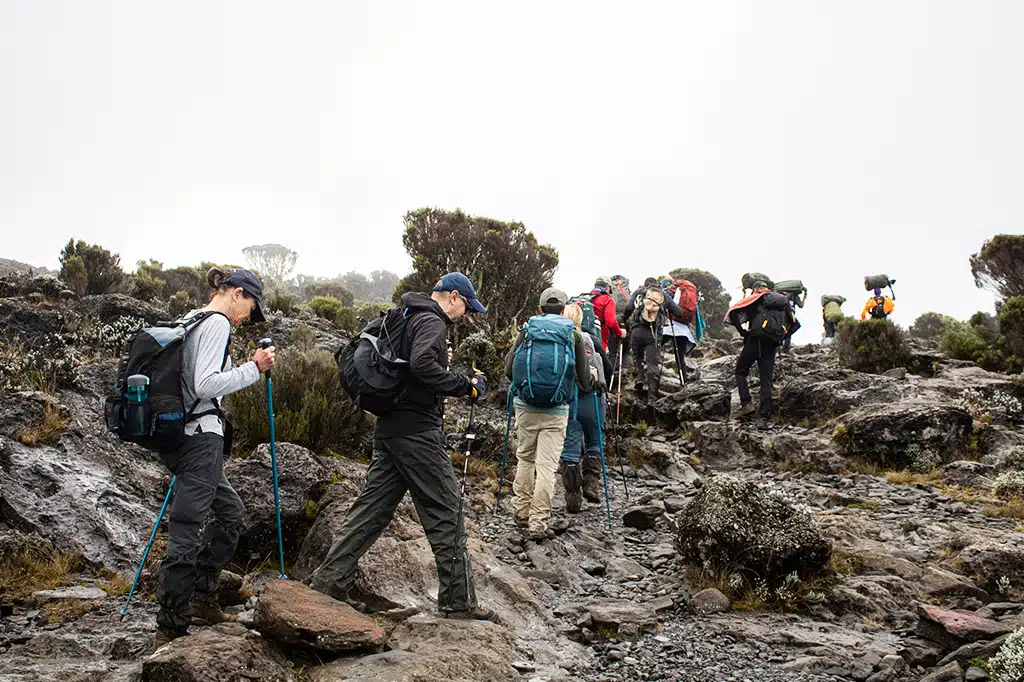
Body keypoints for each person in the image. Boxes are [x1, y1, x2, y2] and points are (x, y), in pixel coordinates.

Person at [308, 272, 492, 620]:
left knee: (371, 510)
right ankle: (458, 602)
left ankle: (330, 582)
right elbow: (423, 364)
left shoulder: (405, 314)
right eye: (466, 307)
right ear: (453, 297)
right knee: (446, 511)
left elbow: (411, 364)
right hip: (418, 433)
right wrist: (465, 384)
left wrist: (442, 366)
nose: (466, 316)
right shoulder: (433, 321)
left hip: (389, 428)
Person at [154, 267, 275, 651]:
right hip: (199, 439)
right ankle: (172, 622)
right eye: (250, 309)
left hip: (179, 436)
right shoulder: (217, 322)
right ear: (237, 293)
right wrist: (253, 369)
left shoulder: (190, 319)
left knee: (231, 513)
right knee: (188, 527)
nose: (247, 319)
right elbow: (205, 384)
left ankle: (203, 597)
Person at [505, 288, 596, 541]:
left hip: (526, 405)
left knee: (525, 459)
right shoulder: (573, 334)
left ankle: (521, 512)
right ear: (563, 307)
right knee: (546, 466)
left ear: (541, 307)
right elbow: (583, 379)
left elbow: (509, 370)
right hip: (556, 409)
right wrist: (593, 380)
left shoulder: (527, 329)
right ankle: (538, 522)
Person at [558, 304, 607, 512]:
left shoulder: (559, 339)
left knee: (570, 448)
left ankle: (573, 497)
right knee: (595, 441)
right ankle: (591, 484)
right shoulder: (589, 339)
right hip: (593, 399)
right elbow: (606, 368)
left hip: (569, 401)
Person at [728, 281, 795, 426]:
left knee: (740, 372)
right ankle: (765, 412)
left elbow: (733, 312)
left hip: (754, 340)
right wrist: (781, 337)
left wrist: (742, 332)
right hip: (771, 344)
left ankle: (747, 404)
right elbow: (795, 324)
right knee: (766, 378)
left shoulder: (756, 298)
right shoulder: (782, 301)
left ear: (756, 289)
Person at [623, 284, 684, 402]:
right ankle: (652, 396)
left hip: (636, 330)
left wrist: (624, 319)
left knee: (637, 356)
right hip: (654, 333)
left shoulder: (639, 292)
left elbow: (628, 308)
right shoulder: (663, 295)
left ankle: (640, 378)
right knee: (652, 363)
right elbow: (678, 312)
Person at [590, 278, 626, 352]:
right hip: (599, 338)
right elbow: (611, 322)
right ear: (607, 287)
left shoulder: (585, 298)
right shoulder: (607, 300)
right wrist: (620, 333)